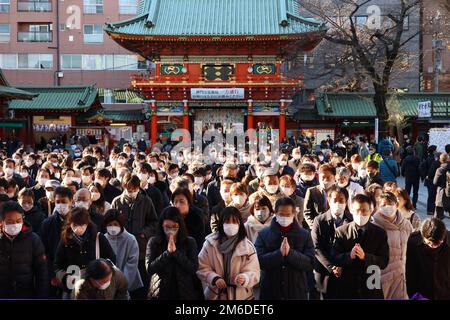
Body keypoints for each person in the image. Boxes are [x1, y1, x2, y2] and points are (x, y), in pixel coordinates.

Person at [255, 197, 314, 300]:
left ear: (293, 214)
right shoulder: (263, 234)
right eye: (281, 214)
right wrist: (279, 254)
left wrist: (290, 253)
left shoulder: (304, 235)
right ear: (275, 213)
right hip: (271, 291)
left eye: (288, 215)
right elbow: (258, 261)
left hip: (296, 292)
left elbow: (310, 263)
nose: (285, 218)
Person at [332, 194, 389, 299]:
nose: (361, 214)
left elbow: (384, 261)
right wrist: (349, 256)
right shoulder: (342, 232)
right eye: (357, 210)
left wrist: (365, 257)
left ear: (370, 211)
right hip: (348, 284)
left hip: (372, 281)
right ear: (351, 210)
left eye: (364, 210)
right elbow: (334, 258)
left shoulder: (380, 233)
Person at [111, 173, 158, 299]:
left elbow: (154, 222)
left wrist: (144, 233)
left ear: (138, 187)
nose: (131, 191)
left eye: (134, 188)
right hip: (121, 247)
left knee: (140, 283)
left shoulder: (146, 201)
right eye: (128, 188)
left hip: (141, 247)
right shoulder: (117, 202)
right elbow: (110, 223)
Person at [198, 206, 260, 300]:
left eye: (234, 221)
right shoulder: (210, 244)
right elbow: (202, 267)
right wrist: (214, 278)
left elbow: (255, 272)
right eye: (227, 221)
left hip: (241, 296)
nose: (231, 224)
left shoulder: (248, 247)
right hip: (215, 295)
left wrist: (245, 277)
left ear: (240, 223)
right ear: (221, 223)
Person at [54, 207, 116, 299]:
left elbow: (111, 260)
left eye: (82, 225)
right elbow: (57, 265)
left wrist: (102, 275)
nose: (78, 228)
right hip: (72, 289)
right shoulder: (65, 240)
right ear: (70, 224)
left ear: (87, 224)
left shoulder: (98, 238)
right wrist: (65, 277)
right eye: (74, 225)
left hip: (96, 289)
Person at [146, 207, 200, 300]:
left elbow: (193, 268)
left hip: (183, 292)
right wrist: (167, 254)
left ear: (180, 226)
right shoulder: (154, 242)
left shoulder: (189, 242)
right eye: (167, 227)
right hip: (159, 291)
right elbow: (149, 268)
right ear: (162, 225)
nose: (170, 230)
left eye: (174, 227)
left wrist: (175, 253)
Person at [0, 201, 48, 299]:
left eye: (18, 221)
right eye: (10, 221)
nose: (15, 224)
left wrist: (42, 296)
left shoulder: (33, 240)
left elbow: (41, 272)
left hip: (26, 294)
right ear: (2, 222)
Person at [311, 186, 352, 299]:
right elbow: (316, 247)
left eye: (341, 200)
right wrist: (332, 267)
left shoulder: (352, 220)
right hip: (326, 270)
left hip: (347, 270)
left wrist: (343, 264)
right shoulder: (319, 220)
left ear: (346, 201)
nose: (338, 203)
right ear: (329, 201)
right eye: (335, 200)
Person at [372, 192, 412, 299]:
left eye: (390, 203)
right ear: (378, 207)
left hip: (401, 277)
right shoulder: (373, 226)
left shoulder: (406, 224)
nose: (387, 207)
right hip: (381, 278)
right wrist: (373, 284)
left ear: (396, 205)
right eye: (383, 204)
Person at [39, 186, 74, 298]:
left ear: (71, 202)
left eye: (64, 202)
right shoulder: (47, 223)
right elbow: (44, 252)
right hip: (54, 274)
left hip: (74, 272)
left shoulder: (79, 222)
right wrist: (53, 275)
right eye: (57, 202)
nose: (60, 205)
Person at [406, 218, 450, 300]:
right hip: (422, 293)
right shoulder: (413, 242)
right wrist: (412, 294)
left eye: (438, 243)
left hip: (445, 292)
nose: (433, 246)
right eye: (429, 243)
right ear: (423, 236)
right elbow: (410, 272)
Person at [104, 209, 143, 298]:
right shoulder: (104, 238)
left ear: (121, 225)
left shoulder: (130, 239)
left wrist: (122, 284)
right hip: (106, 284)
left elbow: (132, 264)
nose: (112, 227)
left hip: (129, 284)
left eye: (115, 224)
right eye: (109, 225)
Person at [171, 187, 205, 252]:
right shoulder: (170, 216)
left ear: (188, 203)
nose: (178, 205)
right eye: (175, 202)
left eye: (181, 202)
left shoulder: (197, 217)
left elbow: (199, 242)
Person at [304, 164, 336, 229]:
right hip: (317, 227)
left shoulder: (339, 191)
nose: (325, 180)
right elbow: (307, 213)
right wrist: (314, 227)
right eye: (323, 177)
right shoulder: (311, 191)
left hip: (335, 227)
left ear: (334, 177)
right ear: (318, 177)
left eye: (328, 177)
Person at [433, 153, 450, 220]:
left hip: (442, 193)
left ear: (441, 160)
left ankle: (437, 230)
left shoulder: (440, 169)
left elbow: (435, 182)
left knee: (438, 216)